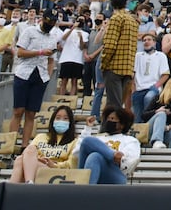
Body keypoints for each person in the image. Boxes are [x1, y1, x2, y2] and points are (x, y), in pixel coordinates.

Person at [8, 10, 63, 147]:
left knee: (31, 113)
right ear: (43, 19)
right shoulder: (29, 32)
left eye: (53, 22)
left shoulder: (52, 38)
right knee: (18, 111)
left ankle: (25, 145)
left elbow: (51, 60)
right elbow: (20, 52)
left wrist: (48, 77)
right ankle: (10, 145)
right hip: (24, 73)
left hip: (41, 75)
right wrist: (39, 52)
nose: (50, 24)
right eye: (48, 21)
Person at [10, 103, 78, 183]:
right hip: (36, 166)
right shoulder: (41, 137)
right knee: (21, 158)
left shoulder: (75, 141)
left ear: (70, 123)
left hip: (56, 172)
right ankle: (29, 182)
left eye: (65, 118)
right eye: (58, 118)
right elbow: (27, 154)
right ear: (53, 121)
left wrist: (54, 165)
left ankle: (11, 188)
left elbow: (71, 165)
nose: (61, 121)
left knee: (20, 161)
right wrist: (38, 159)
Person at [75, 107, 142, 184]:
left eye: (112, 119)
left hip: (116, 176)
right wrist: (87, 129)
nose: (109, 121)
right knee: (92, 153)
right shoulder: (98, 138)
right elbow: (76, 154)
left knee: (95, 155)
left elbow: (127, 162)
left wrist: (116, 158)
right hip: (94, 171)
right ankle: (112, 155)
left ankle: (86, 191)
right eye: (108, 119)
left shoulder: (130, 140)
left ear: (122, 125)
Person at [100, 6, 138, 117]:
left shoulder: (116, 18)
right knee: (118, 105)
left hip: (114, 68)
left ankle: (108, 131)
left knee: (112, 107)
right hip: (128, 69)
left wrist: (104, 64)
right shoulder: (134, 22)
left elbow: (110, 46)